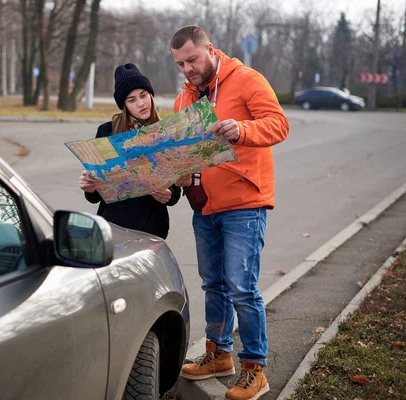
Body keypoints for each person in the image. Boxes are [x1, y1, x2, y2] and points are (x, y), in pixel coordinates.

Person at [170, 26, 289, 400]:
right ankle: (219, 354)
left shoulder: (247, 80)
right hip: (204, 204)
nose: (187, 68)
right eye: (180, 64)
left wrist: (243, 129)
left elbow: (279, 125)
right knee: (213, 284)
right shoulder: (182, 101)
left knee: (242, 287)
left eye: (192, 59)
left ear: (209, 49)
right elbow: (184, 153)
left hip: (244, 204)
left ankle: (255, 369)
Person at [78, 63, 180, 240]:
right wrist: (90, 187)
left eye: (143, 95)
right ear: (123, 105)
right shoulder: (106, 133)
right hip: (113, 227)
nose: (141, 103)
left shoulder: (164, 132)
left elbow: (174, 189)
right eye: (132, 100)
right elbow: (94, 196)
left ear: (150, 95)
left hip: (152, 229)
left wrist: (169, 194)